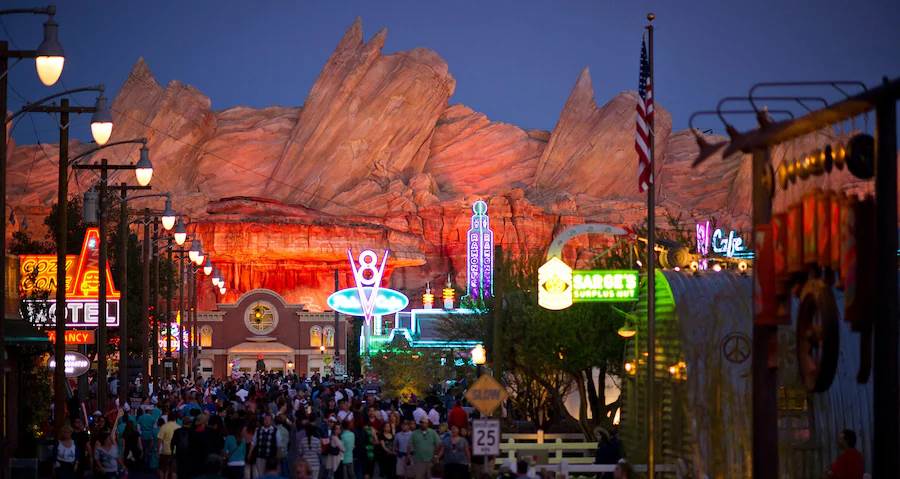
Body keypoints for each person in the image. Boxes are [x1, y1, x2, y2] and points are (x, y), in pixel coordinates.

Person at [252, 413, 281, 477]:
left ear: (271, 421)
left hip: (271, 458)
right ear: (263, 420)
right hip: (260, 457)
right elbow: (253, 443)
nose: (267, 421)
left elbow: (278, 445)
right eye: (265, 419)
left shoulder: (276, 431)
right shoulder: (258, 430)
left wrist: (278, 458)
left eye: (269, 420)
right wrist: (250, 453)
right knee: (260, 474)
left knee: (269, 475)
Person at [157, 410, 181, 479]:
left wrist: (158, 451)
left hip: (165, 451)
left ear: (168, 418)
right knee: (174, 471)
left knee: (162, 469)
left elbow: (159, 440)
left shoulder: (164, 427)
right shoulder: (178, 427)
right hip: (175, 452)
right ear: (175, 418)